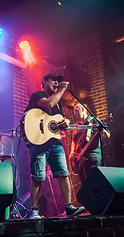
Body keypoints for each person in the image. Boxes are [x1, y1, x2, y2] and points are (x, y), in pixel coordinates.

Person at [23, 73, 85, 219]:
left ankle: (69, 207)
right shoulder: (37, 95)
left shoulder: (57, 102)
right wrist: (61, 90)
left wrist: (66, 122)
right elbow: (48, 104)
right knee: (38, 176)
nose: (57, 82)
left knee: (63, 174)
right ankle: (35, 211)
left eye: (59, 81)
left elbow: (58, 120)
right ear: (44, 81)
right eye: (54, 80)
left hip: (55, 142)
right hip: (38, 141)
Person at [69, 104, 110, 184]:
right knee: (85, 184)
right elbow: (74, 141)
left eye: (77, 110)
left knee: (95, 181)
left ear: (84, 110)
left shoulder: (94, 121)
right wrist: (72, 153)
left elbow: (106, 136)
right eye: (74, 112)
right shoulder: (76, 126)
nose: (75, 113)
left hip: (93, 155)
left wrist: (104, 131)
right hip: (80, 159)